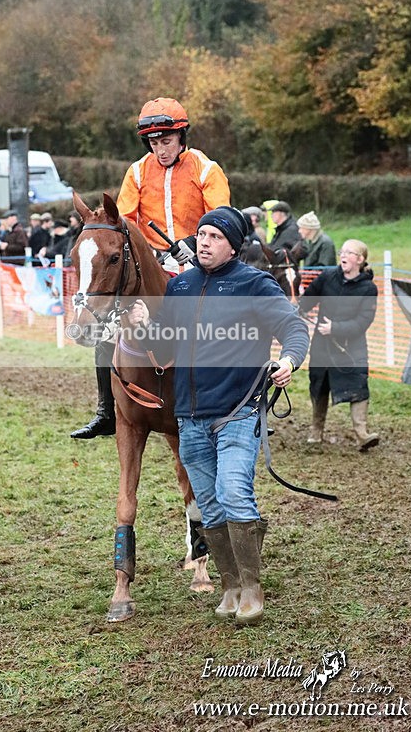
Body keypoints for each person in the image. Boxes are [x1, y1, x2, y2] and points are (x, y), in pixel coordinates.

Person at [128, 206, 309, 623]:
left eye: (215, 237)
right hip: (189, 418)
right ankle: (230, 585)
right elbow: (165, 346)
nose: (205, 242)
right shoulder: (181, 287)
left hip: (238, 413)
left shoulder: (254, 284)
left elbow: (293, 328)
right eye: (202, 235)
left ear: (233, 246)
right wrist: (144, 325)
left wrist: (289, 359)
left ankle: (252, 588)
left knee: (233, 493)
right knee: (209, 506)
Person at [71, 96, 231, 440]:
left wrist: (194, 242)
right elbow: (124, 222)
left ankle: (240, 404)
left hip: (201, 258)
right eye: (155, 143)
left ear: (181, 137)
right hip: (150, 262)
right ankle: (106, 411)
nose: (161, 149)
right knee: (108, 327)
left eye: (167, 141)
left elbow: (221, 217)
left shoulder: (206, 169)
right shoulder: (138, 171)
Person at [298, 239, 379, 450]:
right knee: (319, 385)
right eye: (342, 252)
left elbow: (363, 321)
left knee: (358, 386)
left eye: (349, 252)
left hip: (352, 348)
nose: (343, 255)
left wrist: (335, 328)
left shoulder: (368, 288)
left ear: (360, 259)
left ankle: (362, 434)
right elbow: (308, 299)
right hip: (322, 346)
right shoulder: (327, 277)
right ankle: (316, 431)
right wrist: (298, 308)